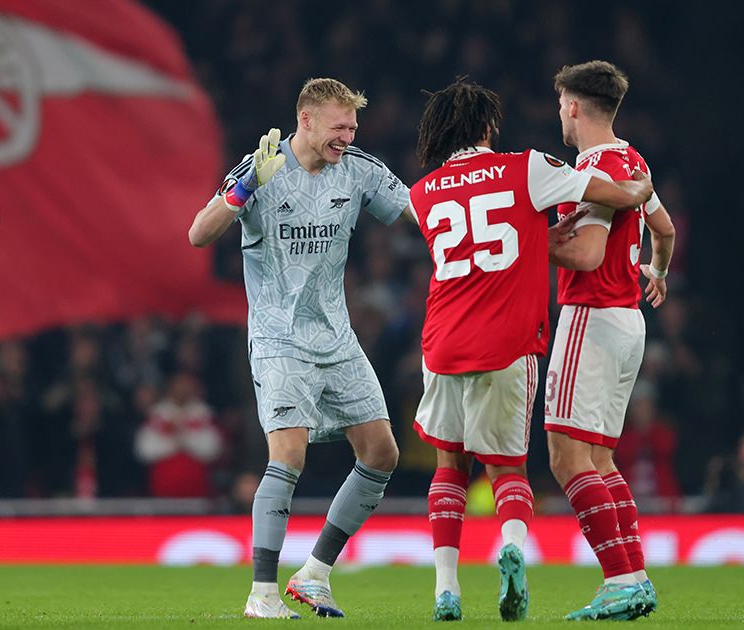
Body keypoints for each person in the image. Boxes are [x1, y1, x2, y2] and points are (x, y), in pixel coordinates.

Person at [407, 77, 653, 622]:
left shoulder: (422, 193)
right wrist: (639, 191)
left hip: (442, 341)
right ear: (489, 127)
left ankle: (446, 588)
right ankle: (515, 547)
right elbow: (608, 197)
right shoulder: (526, 166)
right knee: (510, 467)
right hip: (509, 343)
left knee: (449, 464)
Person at [188, 78, 410, 619]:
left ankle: (314, 575)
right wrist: (242, 190)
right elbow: (198, 233)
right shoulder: (261, 167)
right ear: (305, 120)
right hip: (277, 337)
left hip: (336, 337)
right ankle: (262, 594)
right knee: (288, 454)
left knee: (382, 453)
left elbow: (420, 213)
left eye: (353, 126)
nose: (348, 135)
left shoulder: (358, 169)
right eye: (340, 126)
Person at [545, 60, 677, 621]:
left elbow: (587, 253)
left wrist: (528, 241)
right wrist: (656, 269)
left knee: (565, 456)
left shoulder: (592, 169)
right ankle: (636, 577)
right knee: (599, 458)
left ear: (573, 106)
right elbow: (664, 230)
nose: (560, 115)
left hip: (592, 316)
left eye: (560, 106)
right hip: (627, 319)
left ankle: (620, 579)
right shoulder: (632, 159)